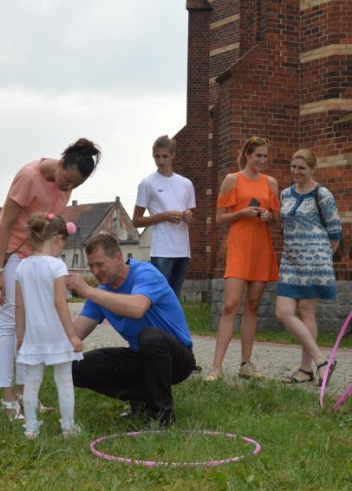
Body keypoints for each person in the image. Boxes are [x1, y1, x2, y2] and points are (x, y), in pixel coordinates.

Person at [0, 138, 100, 421]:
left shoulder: (65, 185)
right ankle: (7, 400)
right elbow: (5, 224)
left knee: (30, 324)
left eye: (75, 185)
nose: (68, 188)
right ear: (61, 163)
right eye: (67, 180)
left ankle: (26, 395)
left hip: (36, 256)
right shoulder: (29, 177)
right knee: (8, 321)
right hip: (11, 253)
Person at [65, 233, 196, 426]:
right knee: (74, 367)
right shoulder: (101, 292)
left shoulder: (145, 273)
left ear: (118, 258)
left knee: (150, 336)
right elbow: (75, 334)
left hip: (176, 358)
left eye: (100, 264)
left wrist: (87, 290)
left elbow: (137, 308)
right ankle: (143, 399)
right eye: (91, 265)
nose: (95, 271)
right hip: (141, 356)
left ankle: (161, 417)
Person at [205, 136, 280, 381]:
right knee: (230, 305)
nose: (262, 160)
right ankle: (216, 366)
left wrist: (269, 216)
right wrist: (243, 213)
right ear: (247, 154)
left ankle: (246, 364)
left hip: (261, 249)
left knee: (253, 305)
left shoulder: (271, 183)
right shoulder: (232, 180)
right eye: (258, 155)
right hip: (239, 247)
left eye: (265, 156)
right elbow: (220, 219)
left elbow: (277, 220)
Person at [14, 213, 85, 439]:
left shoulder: (21, 267)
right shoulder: (57, 266)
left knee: (31, 382)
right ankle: (68, 428)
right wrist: (72, 335)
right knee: (64, 381)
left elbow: (19, 307)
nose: (61, 251)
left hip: (33, 336)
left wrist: (20, 337)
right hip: (57, 334)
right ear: (57, 239)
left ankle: (31, 429)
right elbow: (60, 303)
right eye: (63, 246)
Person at [275, 149, 342, 386]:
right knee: (283, 311)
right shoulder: (285, 194)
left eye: (301, 168)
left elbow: (335, 232)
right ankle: (322, 361)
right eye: (293, 166)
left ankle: (305, 370)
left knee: (306, 311)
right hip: (290, 261)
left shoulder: (322, 194)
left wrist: (322, 258)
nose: (295, 171)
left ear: (313, 169)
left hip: (315, 263)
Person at [132, 135, 196, 298]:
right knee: (158, 298)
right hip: (161, 251)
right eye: (157, 156)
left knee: (174, 300)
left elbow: (191, 219)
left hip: (183, 251)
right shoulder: (147, 183)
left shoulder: (186, 184)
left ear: (173, 155)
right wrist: (164, 216)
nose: (161, 161)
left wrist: (189, 216)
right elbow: (136, 221)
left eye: (165, 156)